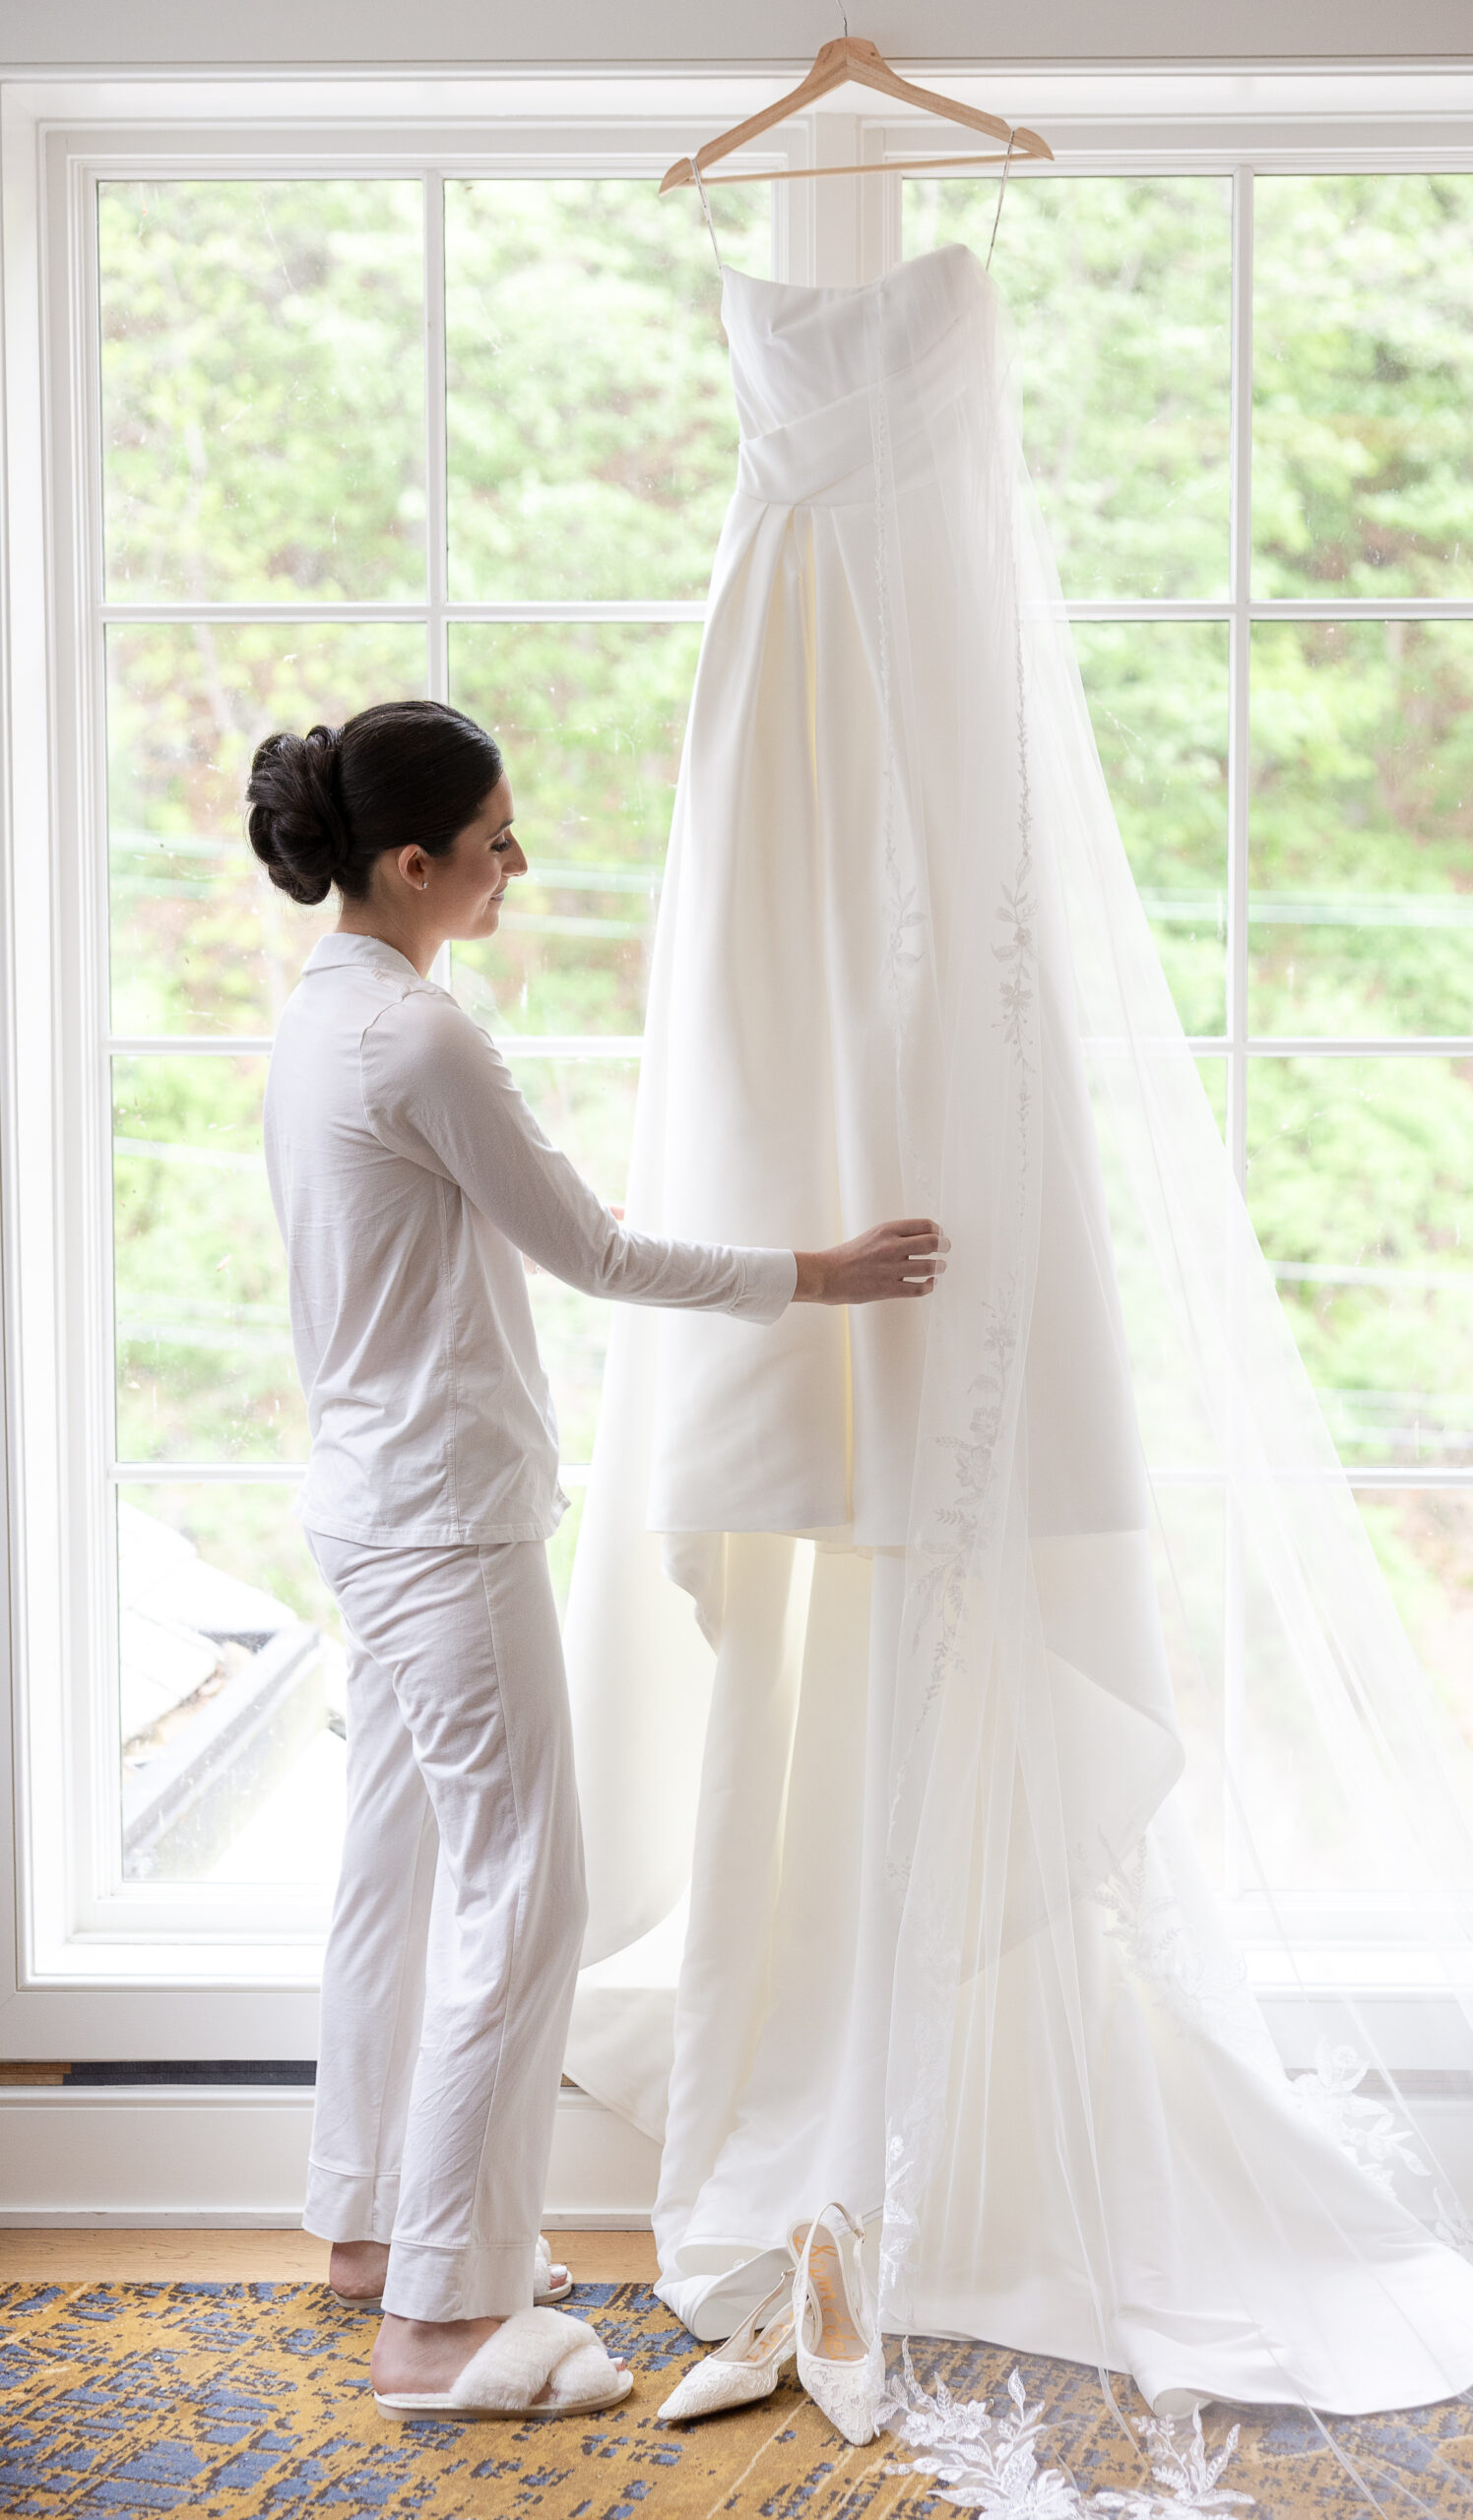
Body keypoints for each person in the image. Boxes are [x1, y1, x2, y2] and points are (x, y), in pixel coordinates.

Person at [250, 698, 945, 2421]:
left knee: (398, 1862)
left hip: (367, 1498)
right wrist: (816, 1274)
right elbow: (596, 1248)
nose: (517, 866)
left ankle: (368, 2226)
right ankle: (441, 2325)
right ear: (409, 865)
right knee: (524, 1891)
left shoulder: (319, 1019)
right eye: (494, 844)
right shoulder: (418, 1041)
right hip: (442, 1519)